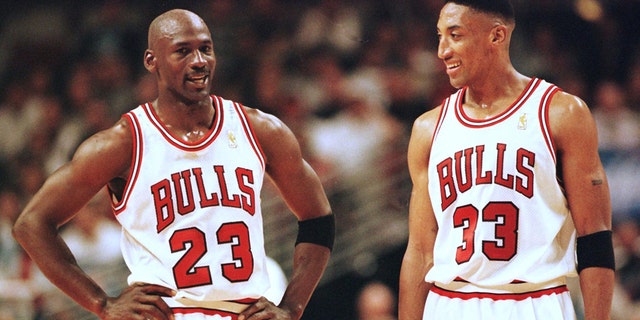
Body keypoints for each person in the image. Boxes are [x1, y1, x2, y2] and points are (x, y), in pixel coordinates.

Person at [13, 8, 334, 320]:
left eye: (205, 49)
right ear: (151, 61)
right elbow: (32, 224)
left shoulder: (260, 130)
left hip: (241, 312)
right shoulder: (122, 143)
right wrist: (101, 303)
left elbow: (317, 217)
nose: (199, 61)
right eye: (183, 51)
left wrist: (292, 307)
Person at [398, 1, 614, 319]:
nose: (443, 50)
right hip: (449, 302)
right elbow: (419, 252)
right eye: (440, 36)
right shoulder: (428, 129)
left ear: (496, 36)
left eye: (455, 35)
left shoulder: (560, 113)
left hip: (534, 300)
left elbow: (594, 236)